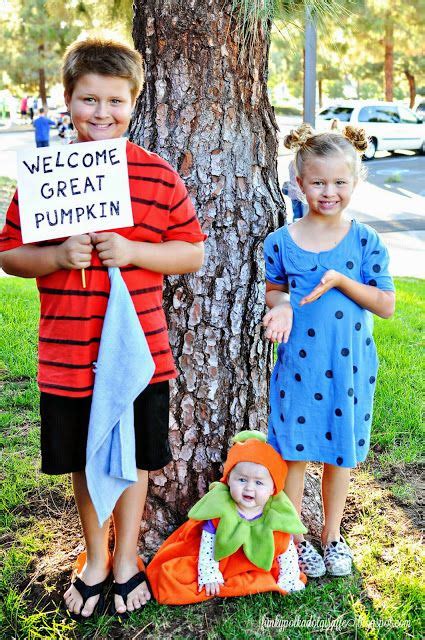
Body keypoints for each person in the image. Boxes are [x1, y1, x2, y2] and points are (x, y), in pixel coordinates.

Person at [0, 38, 206, 620]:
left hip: (139, 354)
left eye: (115, 100)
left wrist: (135, 250)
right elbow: (11, 255)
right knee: (85, 459)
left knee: (132, 458)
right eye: (87, 99)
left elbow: (190, 253)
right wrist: (59, 256)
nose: (101, 113)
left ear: (134, 102)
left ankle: (126, 560)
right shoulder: (45, 177)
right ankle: (95, 557)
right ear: (67, 101)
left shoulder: (157, 176)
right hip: (67, 354)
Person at [263, 124, 395, 579]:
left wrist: (341, 281)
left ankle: (332, 536)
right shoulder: (281, 241)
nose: (328, 191)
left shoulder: (365, 242)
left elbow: (387, 305)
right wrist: (279, 309)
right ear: (299, 183)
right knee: (296, 455)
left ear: (354, 183)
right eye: (318, 181)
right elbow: (275, 292)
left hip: (349, 370)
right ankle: (296, 540)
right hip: (300, 368)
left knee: (340, 455)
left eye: (339, 182)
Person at [146, 430, 308, 604]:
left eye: (259, 482)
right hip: (223, 560)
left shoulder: (276, 515)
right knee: (175, 576)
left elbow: (286, 548)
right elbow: (208, 543)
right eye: (242, 480)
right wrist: (209, 573)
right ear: (229, 479)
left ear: (273, 489)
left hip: (255, 561)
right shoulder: (221, 507)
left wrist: (289, 577)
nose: (249, 488)